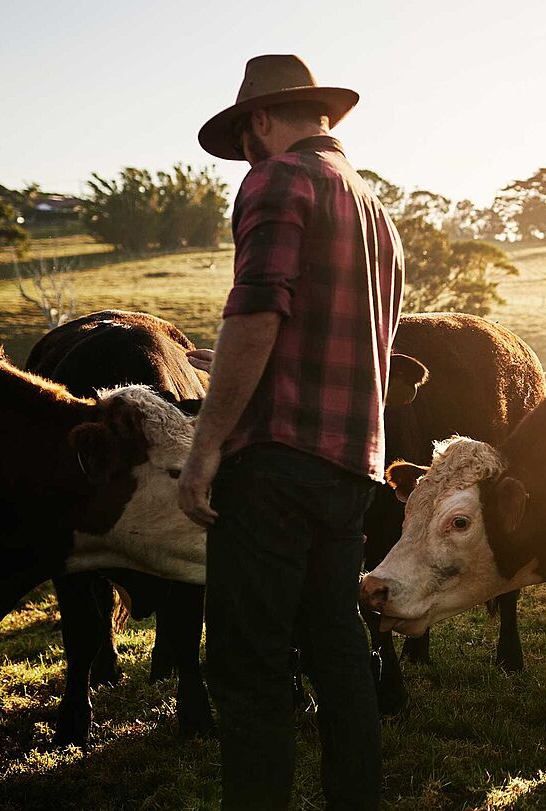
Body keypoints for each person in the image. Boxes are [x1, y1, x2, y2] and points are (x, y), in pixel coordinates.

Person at [179, 54, 402, 810]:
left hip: (272, 463)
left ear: (263, 120)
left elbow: (260, 308)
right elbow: (349, 337)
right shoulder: (379, 213)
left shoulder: (279, 179)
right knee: (339, 652)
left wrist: (206, 445)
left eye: (246, 137)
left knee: (249, 666)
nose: (247, 154)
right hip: (350, 467)